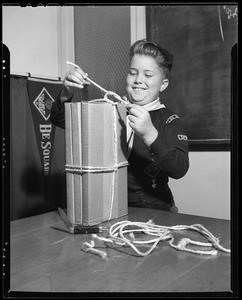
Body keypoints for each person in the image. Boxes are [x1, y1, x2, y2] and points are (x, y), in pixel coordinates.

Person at [50, 39, 189, 212]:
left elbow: (179, 169)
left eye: (148, 75)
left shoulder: (168, 119)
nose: (138, 80)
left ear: (163, 84)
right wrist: (66, 94)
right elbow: (60, 119)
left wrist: (149, 134)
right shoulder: (111, 110)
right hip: (108, 203)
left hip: (154, 207)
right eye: (133, 72)